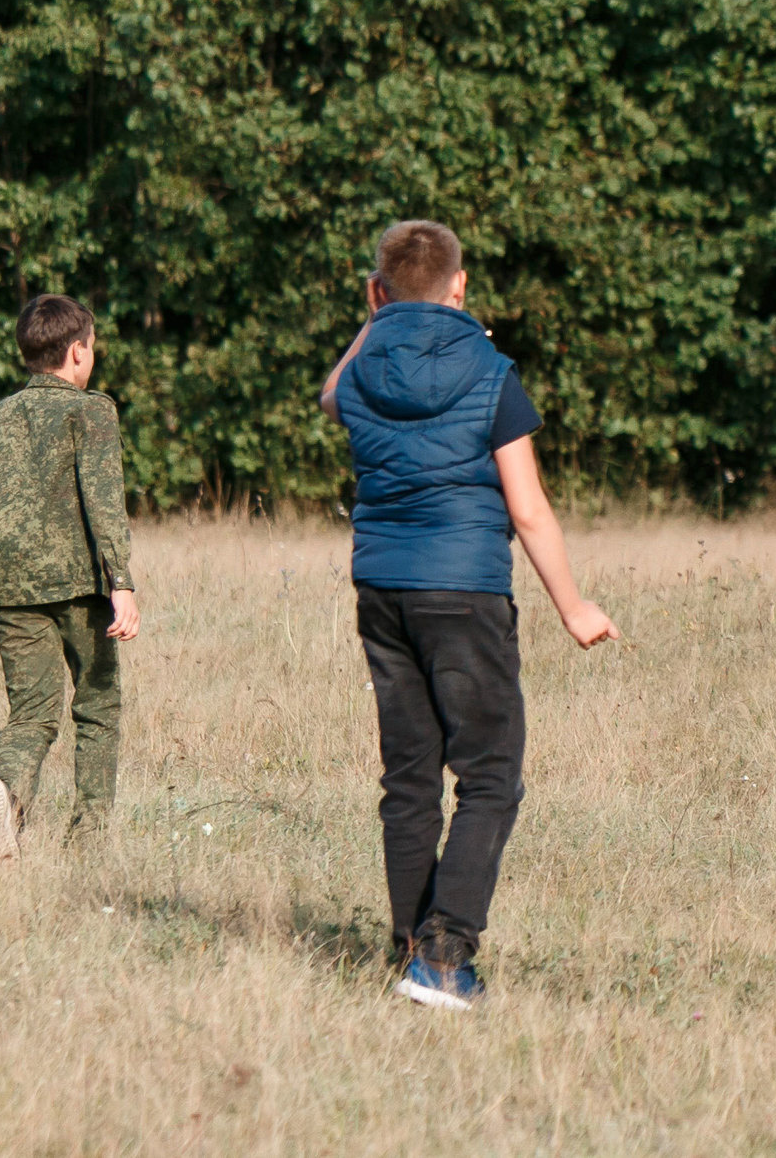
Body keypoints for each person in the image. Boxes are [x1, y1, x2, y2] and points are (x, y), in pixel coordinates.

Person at [319, 219, 619, 1011]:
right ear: (462, 287)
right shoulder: (490, 368)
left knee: (409, 774)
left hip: (382, 590)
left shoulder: (363, 364)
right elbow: (529, 507)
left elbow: (329, 393)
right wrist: (573, 605)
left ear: (377, 291)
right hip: (467, 590)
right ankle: (445, 955)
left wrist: (376, 317)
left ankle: (408, 944)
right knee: (491, 773)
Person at [0, 294, 140, 866]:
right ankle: (89, 839)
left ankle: (5, 802)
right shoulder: (90, 411)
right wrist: (122, 582)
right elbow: (104, 502)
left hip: (10, 587)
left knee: (32, 713)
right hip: (79, 585)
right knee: (97, 704)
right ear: (76, 352)